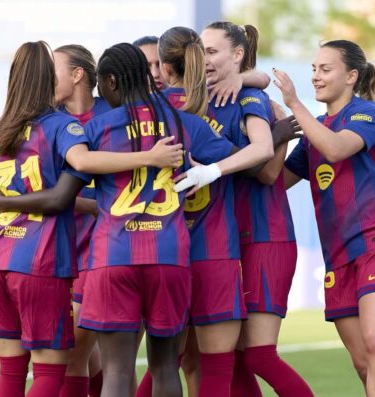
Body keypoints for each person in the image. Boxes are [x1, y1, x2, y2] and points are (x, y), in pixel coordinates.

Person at [0, 41, 183, 397]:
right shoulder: (64, 126)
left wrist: (7, 201)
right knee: (60, 366)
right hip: (45, 258)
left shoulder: (4, 129)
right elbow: (76, 173)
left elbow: (21, 196)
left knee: (15, 369)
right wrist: (149, 158)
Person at [74, 42, 237, 397]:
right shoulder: (184, 123)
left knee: (117, 371)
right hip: (169, 254)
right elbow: (239, 160)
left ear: (113, 82)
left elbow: (68, 186)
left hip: (114, 255)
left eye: (103, 86)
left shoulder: (99, 128)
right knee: (165, 367)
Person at [152, 26, 302, 397]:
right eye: (200, 51)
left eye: (213, 51)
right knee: (201, 358)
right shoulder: (199, 100)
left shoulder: (248, 95)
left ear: (237, 55)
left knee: (256, 355)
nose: (204, 59)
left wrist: (275, 131)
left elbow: (268, 172)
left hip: (260, 236)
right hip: (211, 241)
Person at [273, 40, 375, 397]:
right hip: (338, 255)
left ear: (351, 76)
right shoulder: (315, 130)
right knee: (364, 362)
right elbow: (274, 183)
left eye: (325, 69)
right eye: (313, 70)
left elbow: (335, 148)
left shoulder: (366, 114)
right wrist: (269, 131)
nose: (316, 77)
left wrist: (292, 103)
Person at [54, 43, 109, 397]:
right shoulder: (49, 121)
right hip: (58, 250)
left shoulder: (114, 115)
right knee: (90, 358)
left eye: (53, 70)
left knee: (74, 354)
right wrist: (86, 203)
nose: (44, 79)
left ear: (77, 75)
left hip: (102, 251)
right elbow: (45, 190)